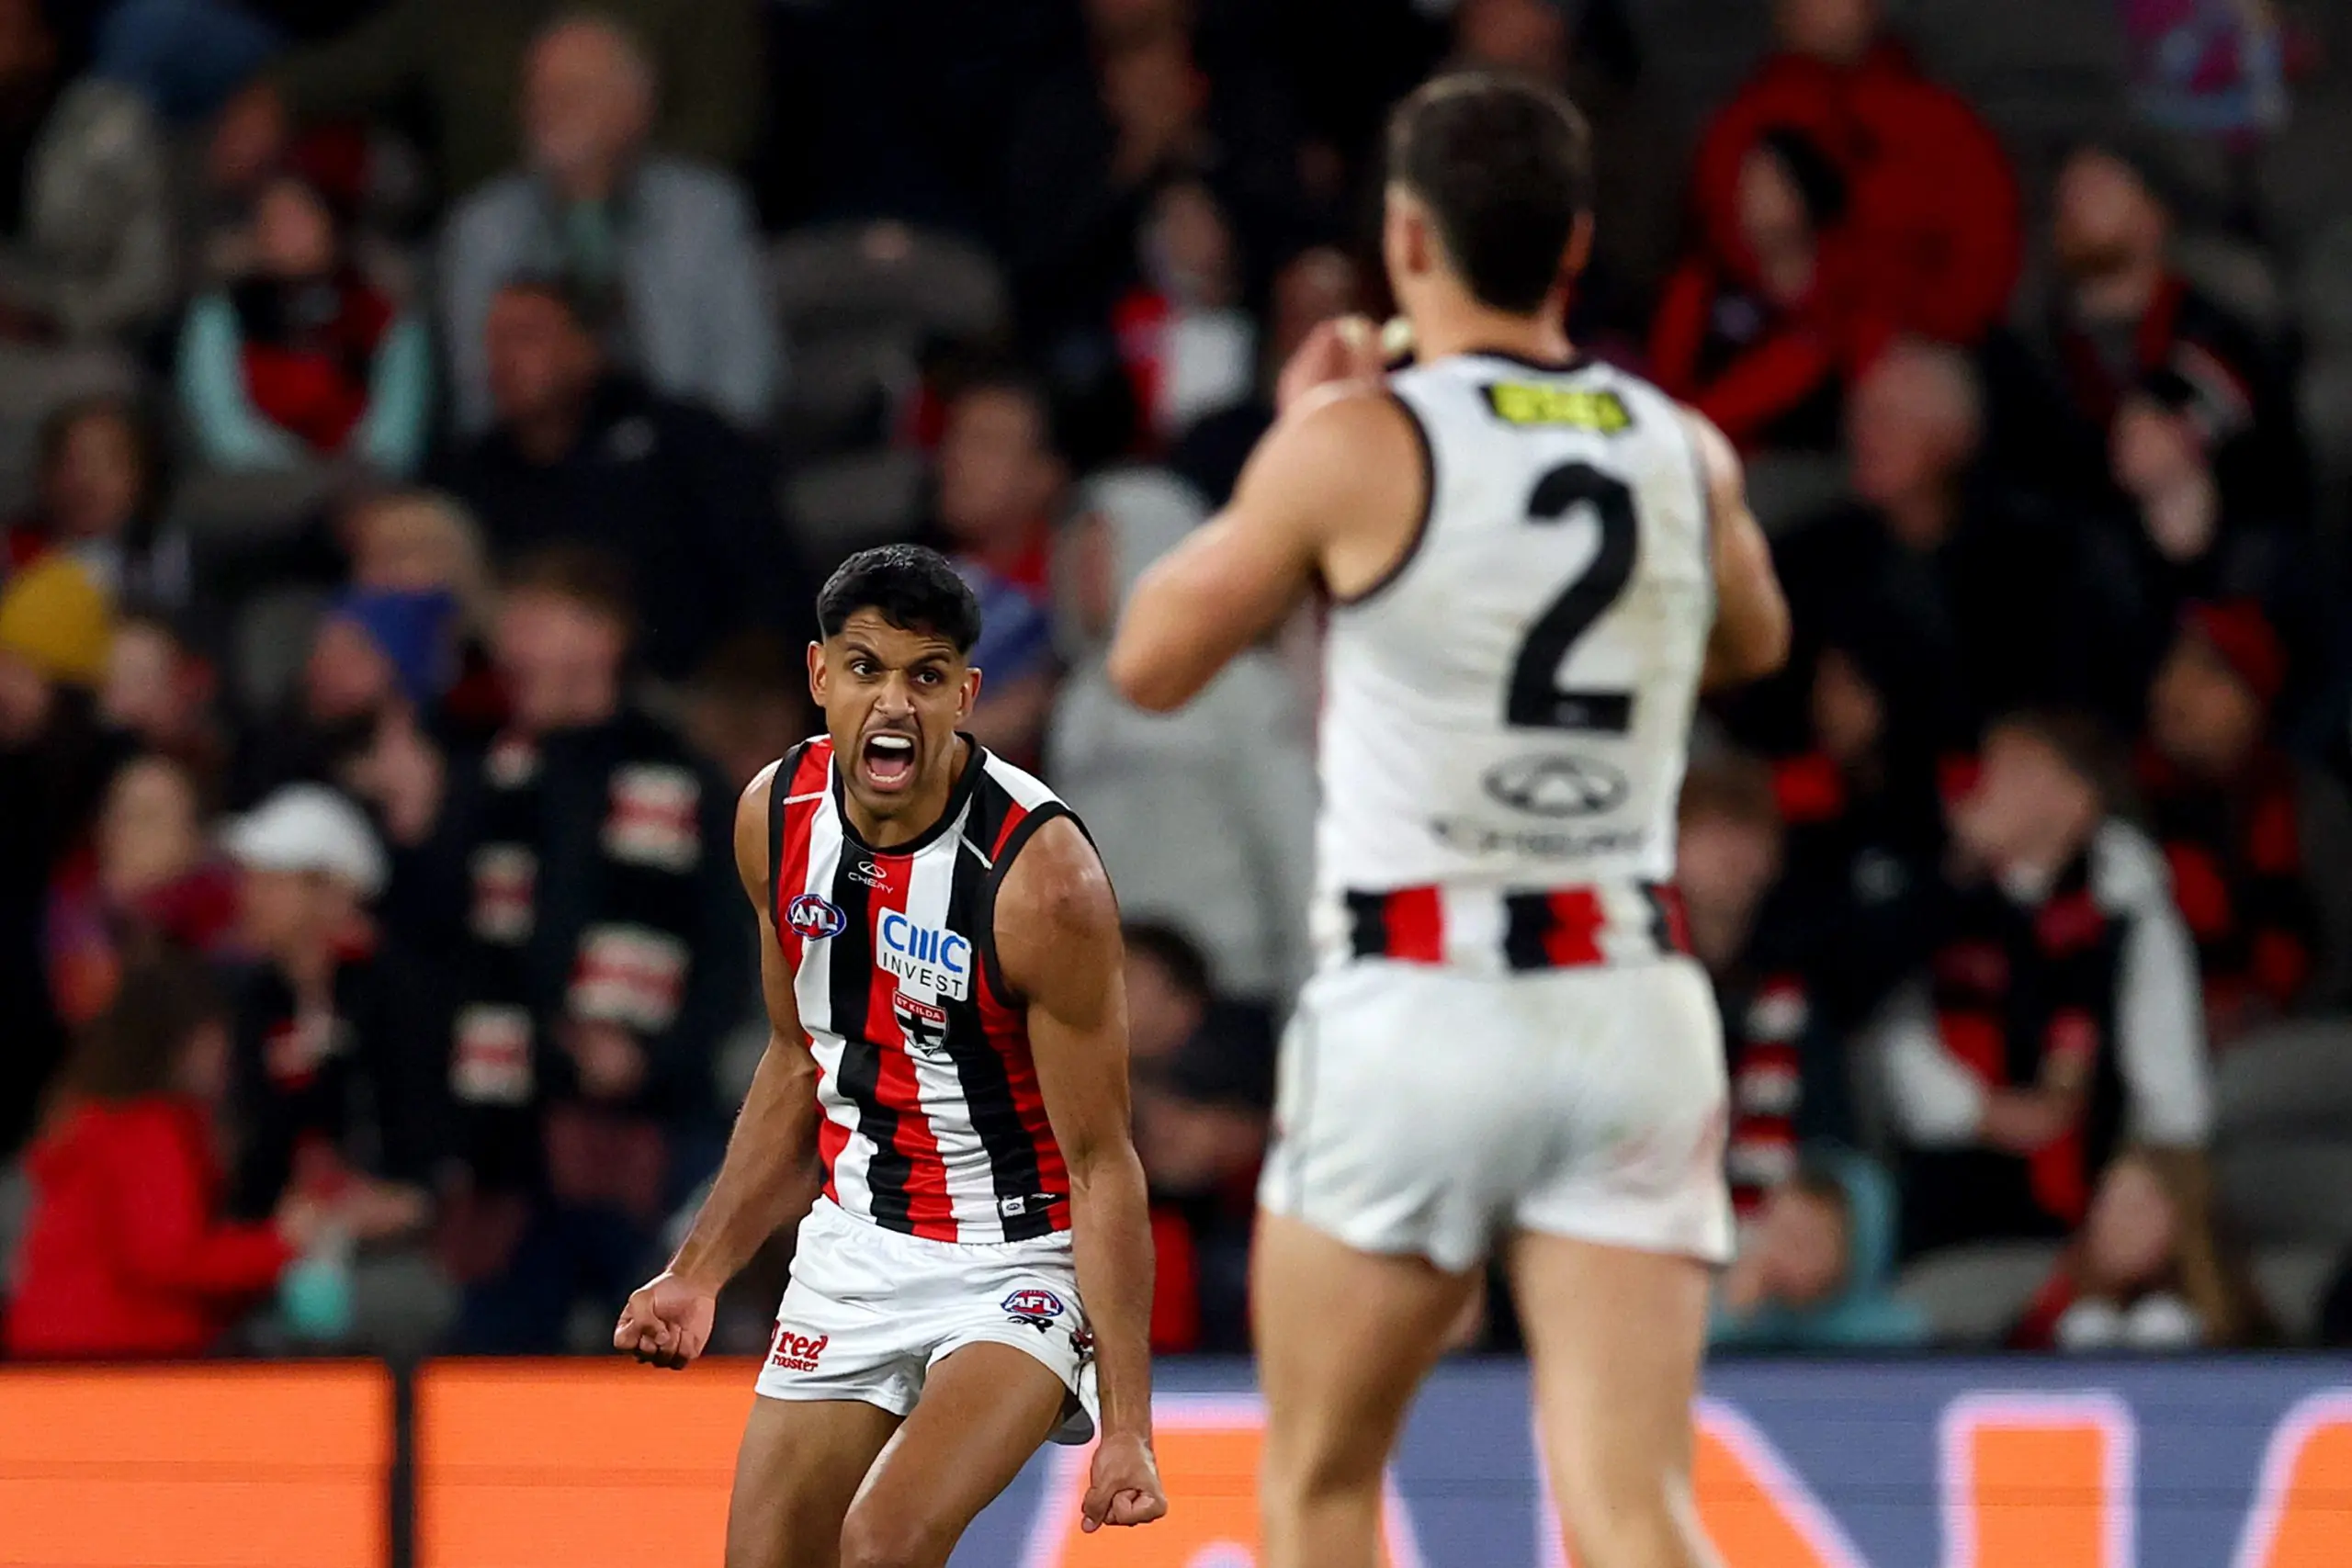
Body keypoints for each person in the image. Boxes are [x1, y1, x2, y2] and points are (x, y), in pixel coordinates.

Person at [1109, 72, 1790, 1568]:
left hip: (1419, 1002)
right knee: (1636, 1505)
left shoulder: (1364, 438)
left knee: (1324, 1489)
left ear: (1407, 240)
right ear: (1573, 247)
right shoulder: (1683, 448)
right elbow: (1754, 642)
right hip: (1627, 997)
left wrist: (1299, 436)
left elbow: (1148, 658)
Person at [611, 544, 1167, 1563]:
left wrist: (1127, 1425)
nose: (894, 705)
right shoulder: (771, 817)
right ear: (819, 677)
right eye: (866, 669)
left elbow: (1102, 1159)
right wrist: (697, 1274)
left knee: (882, 1542)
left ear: (967, 693)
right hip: (856, 1247)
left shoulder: (1043, 881)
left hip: (1017, 1263)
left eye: (925, 676)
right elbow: (795, 1059)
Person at [434, 547, 746, 1353]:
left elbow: (731, 964)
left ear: (602, 637)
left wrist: (649, 1059)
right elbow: (451, 956)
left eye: (536, 619)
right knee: (485, 1380)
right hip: (508, 1144)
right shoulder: (490, 784)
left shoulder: (686, 782)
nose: (512, 644)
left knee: (653, 1365)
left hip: (644, 1140)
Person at [1869, 711, 2217, 1260]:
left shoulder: (2129, 911)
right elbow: (1888, 1033)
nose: (1987, 785)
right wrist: (1981, 1112)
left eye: (2020, 769)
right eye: (1992, 766)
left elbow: (2168, 1082)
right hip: (1948, 1195)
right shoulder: (1929, 894)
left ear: (2078, 798)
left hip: (2092, 1205)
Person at [429, 278, 801, 682]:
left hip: (693, 694)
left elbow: (766, 579)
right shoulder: (468, 477)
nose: (504, 360)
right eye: (495, 344)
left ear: (588, 346)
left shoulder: (685, 441)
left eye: (527, 338)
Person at [439, 15, 777, 434]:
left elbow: (747, 377)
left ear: (636, 108)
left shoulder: (707, 212)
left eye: (572, 94)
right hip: (542, 474)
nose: (546, 113)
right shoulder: (482, 230)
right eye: (537, 95)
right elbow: (479, 401)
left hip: (686, 461)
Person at [1, 953, 333, 1358]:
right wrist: (281, 1242)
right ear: (183, 1040)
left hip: (59, 1352)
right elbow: (168, 1260)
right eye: (216, 1039)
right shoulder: (146, 1130)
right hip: (109, 1356)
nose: (225, 1057)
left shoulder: (95, 1120)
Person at [2139, 604, 2352, 1036]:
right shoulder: (2123, 799)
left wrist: (2273, 1019)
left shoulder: (2308, 807)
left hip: (2291, 1041)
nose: (2177, 689)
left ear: (2257, 705)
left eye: (2211, 675)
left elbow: (2343, 956)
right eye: (2174, 664)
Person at [175, 168, 431, 475]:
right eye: (272, 221)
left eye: (299, 217)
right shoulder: (217, 315)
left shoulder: (385, 310)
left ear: (332, 225)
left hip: (367, 487)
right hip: (259, 488)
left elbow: (396, 431)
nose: (286, 234)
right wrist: (299, 482)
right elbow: (223, 427)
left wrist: (349, 480)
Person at [1710, 1154, 1927, 1351]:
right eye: (1776, 1234)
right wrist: (1732, 1311)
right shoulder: (1753, 1323)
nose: (1782, 1255)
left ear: (1860, 1251)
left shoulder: (1896, 1341)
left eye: (1803, 1243)